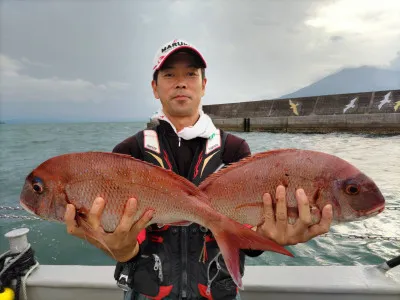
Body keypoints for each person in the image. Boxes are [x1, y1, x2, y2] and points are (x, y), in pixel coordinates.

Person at [64, 39, 333, 300]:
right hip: (148, 293)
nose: (181, 82)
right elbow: (119, 231)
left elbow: (246, 232)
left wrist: (265, 236)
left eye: (190, 74)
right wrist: (118, 248)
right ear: (154, 88)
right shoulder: (128, 151)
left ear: (203, 85)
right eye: (169, 74)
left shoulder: (235, 150)